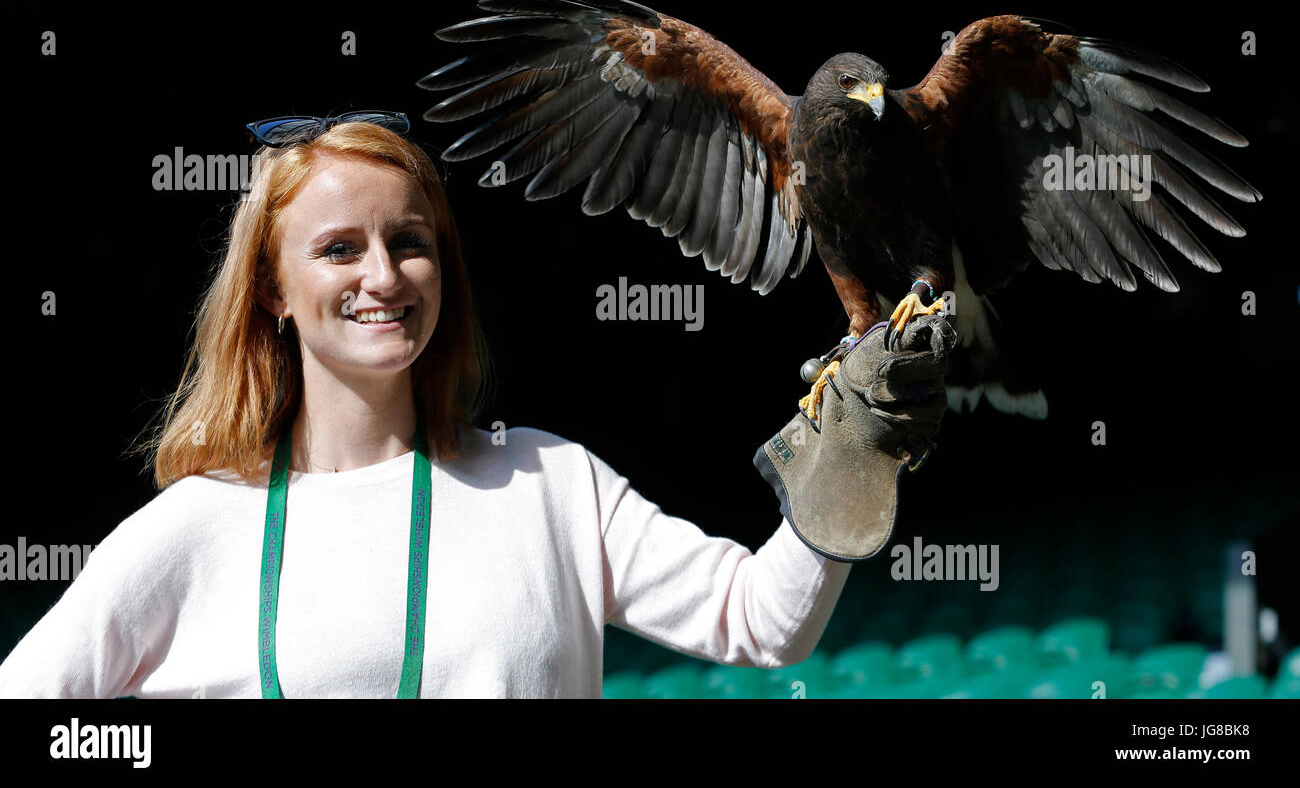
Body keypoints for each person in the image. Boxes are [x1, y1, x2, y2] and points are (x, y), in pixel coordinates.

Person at [0, 114, 948, 698]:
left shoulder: (551, 483)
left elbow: (760, 623)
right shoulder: (195, 527)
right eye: (338, 249)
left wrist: (853, 456)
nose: (384, 274)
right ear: (272, 294)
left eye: (410, 241)